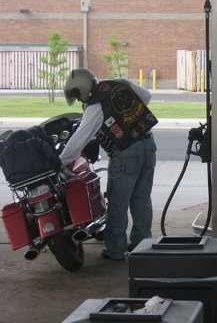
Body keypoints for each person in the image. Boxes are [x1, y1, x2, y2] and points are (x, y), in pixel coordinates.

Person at [60, 68, 158, 260]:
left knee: (117, 203)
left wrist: (59, 161)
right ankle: (142, 245)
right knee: (142, 199)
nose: (79, 100)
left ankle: (116, 250)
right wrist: (129, 119)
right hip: (148, 145)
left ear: (83, 89)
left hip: (126, 154)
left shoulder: (96, 106)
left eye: (77, 95)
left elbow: (79, 140)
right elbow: (146, 96)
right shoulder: (120, 83)